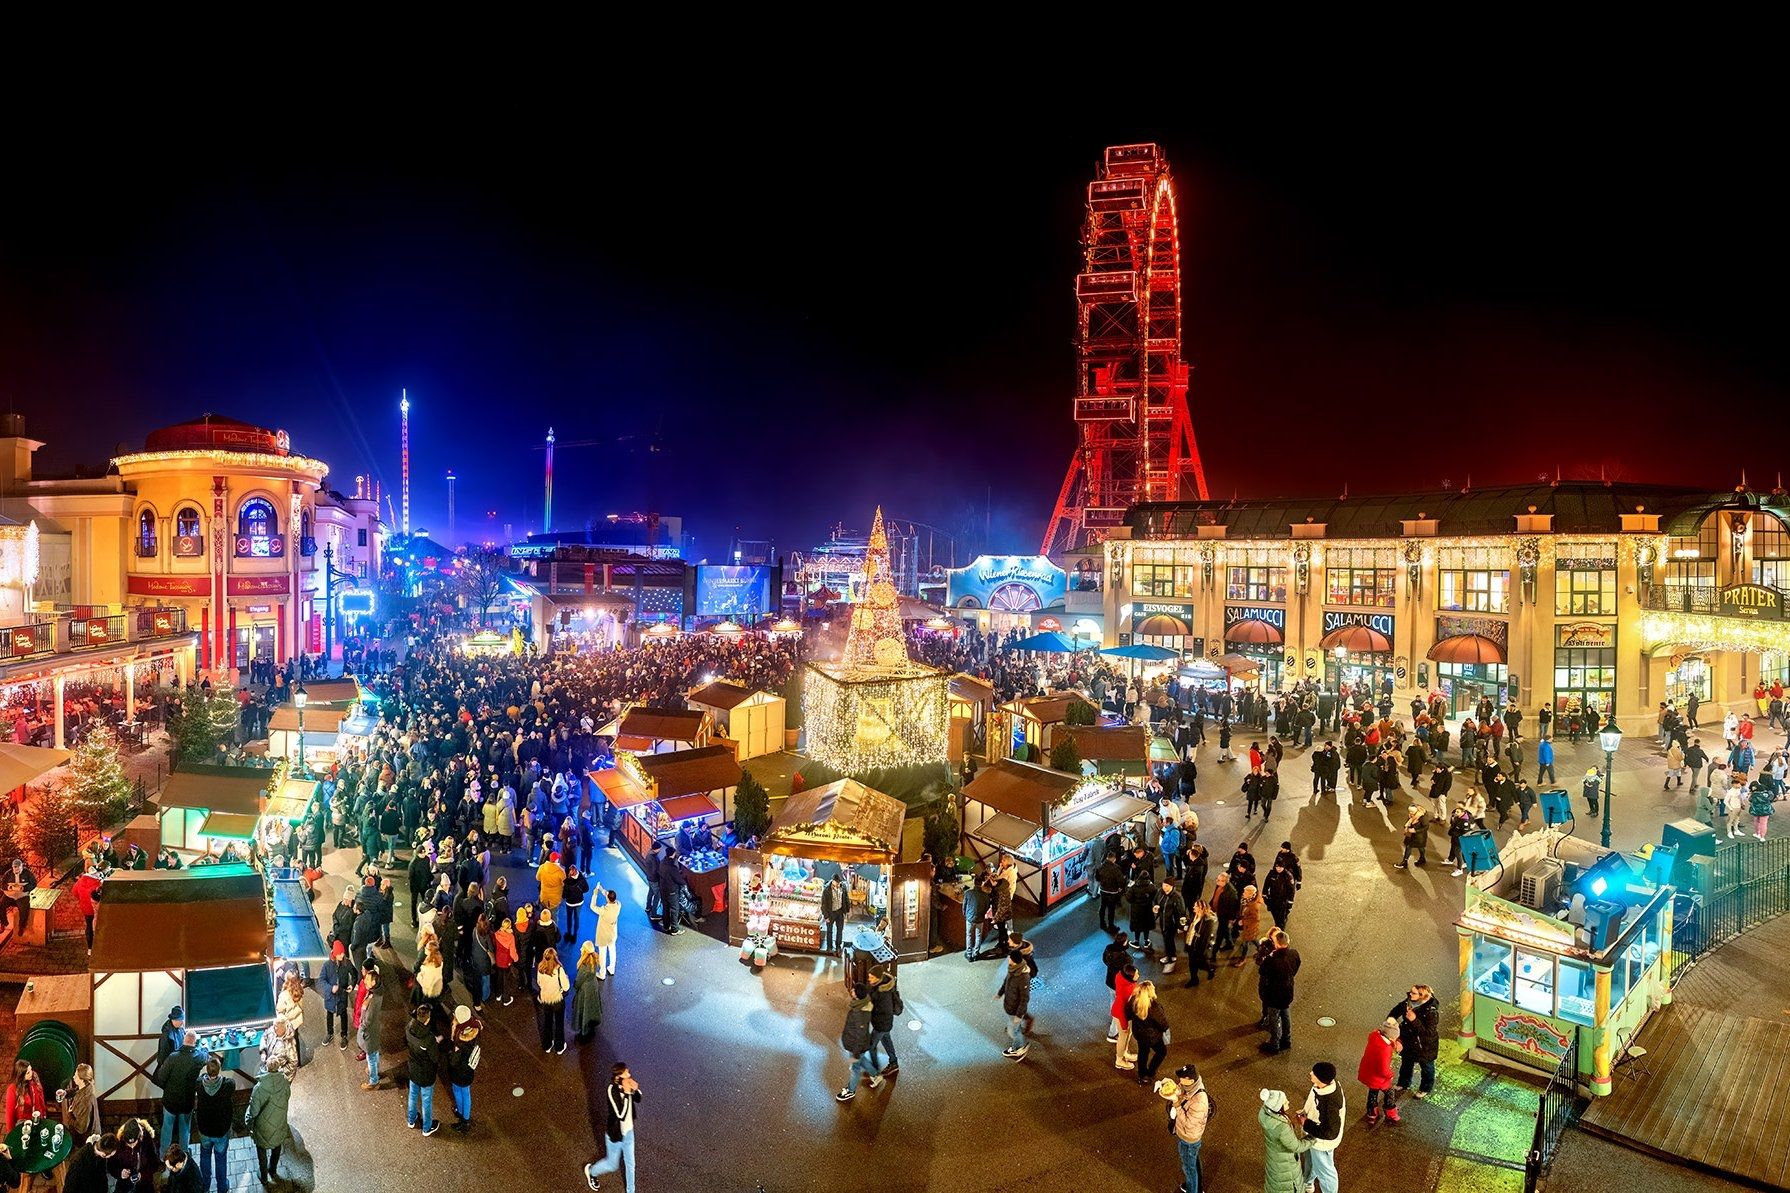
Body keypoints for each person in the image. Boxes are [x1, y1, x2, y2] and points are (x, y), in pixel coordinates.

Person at [582, 1063, 643, 1192]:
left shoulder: (627, 1084)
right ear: (618, 1076)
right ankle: (591, 1171)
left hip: (629, 1132)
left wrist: (636, 1090)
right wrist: (626, 1094)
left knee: (631, 1165)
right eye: (626, 1073)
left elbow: (638, 1099)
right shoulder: (612, 1090)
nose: (629, 1075)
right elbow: (620, 1114)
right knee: (612, 1164)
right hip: (615, 1135)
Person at [244, 1057, 293, 1183]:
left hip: (263, 1126)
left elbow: (254, 1111)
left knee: (261, 1149)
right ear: (278, 1067)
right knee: (277, 1146)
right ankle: (273, 1170)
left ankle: (264, 1176)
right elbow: (287, 1096)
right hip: (279, 1121)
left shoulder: (259, 1088)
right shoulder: (285, 1082)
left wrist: (248, 1120)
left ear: (266, 1067)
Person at [1164, 1062, 1210, 1192]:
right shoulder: (1192, 1086)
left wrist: (1176, 1104)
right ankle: (1198, 1187)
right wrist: (1170, 1084)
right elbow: (1179, 1089)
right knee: (1193, 1162)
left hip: (1188, 1139)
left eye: (1182, 1079)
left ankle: (1192, 1190)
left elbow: (1188, 1123)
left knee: (1189, 1169)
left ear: (1190, 1080)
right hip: (1190, 1138)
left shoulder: (1200, 1101)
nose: (1180, 1081)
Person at [1302, 1060, 1346, 1192]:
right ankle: (1308, 1182)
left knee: (1326, 1172)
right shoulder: (1324, 1084)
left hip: (1321, 1142)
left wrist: (1306, 1123)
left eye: (1314, 1073)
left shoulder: (1330, 1104)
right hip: (1314, 1136)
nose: (1310, 1073)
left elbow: (1330, 1132)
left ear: (1321, 1079)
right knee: (1311, 1161)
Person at [1391, 984, 1441, 1100]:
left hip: (1424, 1046)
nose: (1409, 994)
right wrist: (1391, 1020)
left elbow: (1428, 1032)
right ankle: (1403, 1083)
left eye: (1413, 993)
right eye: (1410, 992)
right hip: (1409, 1040)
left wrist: (1414, 1020)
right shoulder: (1409, 1002)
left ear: (1422, 996)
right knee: (1406, 1063)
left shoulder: (1431, 1012)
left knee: (1427, 1068)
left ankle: (1425, 1088)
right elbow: (1397, 1010)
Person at [1258, 1088, 1312, 1192]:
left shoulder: (1265, 1112)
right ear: (1279, 1108)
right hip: (1286, 1164)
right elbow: (1297, 1146)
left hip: (1275, 1158)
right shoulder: (1282, 1128)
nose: (1288, 1102)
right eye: (1285, 1101)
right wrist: (1312, 1137)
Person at [193, 1056, 234, 1193]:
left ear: (206, 1070)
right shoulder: (228, 1085)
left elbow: (201, 1078)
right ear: (219, 1070)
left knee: (204, 1156)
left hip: (204, 1129)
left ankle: (205, 1185)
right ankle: (221, 1187)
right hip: (221, 1129)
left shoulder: (199, 1083)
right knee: (220, 1158)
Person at [1258, 928, 1301, 1054]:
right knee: (1285, 1013)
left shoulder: (1272, 959)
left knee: (1274, 1018)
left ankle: (1274, 1044)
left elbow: (1262, 972)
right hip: (1288, 990)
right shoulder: (1294, 953)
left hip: (1274, 993)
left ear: (1276, 943)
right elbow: (1297, 965)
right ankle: (1286, 1040)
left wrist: (1268, 958)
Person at [836, 984, 882, 1100]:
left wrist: (855, 1053)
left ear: (857, 994)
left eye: (854, 990)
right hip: (856, 1045)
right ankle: (875, 1075)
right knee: (861, 1060)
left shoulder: (859, 1013)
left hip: (855, 1047)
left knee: (855, 1068)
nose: (851, 991)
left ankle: (850, 1090)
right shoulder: (862, 1006)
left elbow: (860, 1036)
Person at [158, 1030, 202, 1150]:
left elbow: (161, 1077)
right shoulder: (198, 1057)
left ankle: (164, 1155)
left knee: (167, 1128)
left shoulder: (173, 1057)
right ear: (195, 1042)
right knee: (185, 1129)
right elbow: (206, 1056)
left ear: (183, 1040)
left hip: (170, 1100)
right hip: (187, 1101)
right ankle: (184, 1154)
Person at [404, 1003, 442, 1135]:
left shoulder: (409, 1028)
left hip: (413, 1069)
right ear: (427, 1019)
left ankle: (411, 1119)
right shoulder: (428, 1039)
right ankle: (427, 1127)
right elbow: (435, 1058)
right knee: (426, 1101)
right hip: (426, 1074)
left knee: (413, 1095)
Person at [446, 1005, 482, 1132]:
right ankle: (464, 1116)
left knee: (458, 1091)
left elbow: (453, 1062)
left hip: (459, 1072)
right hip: (469, 1070)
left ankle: (463, 1118)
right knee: (466, 1093)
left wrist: (453, 1052)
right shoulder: (476, 1028)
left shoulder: (459, 1041)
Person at [1128, 979, 1171, 1083]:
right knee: (1161, 1052)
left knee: (1143, 1052)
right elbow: (1163, 1024)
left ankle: (1142, 1074)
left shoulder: (1133, 1001)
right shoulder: (1154, 1007)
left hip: (1139, 1034)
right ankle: (1150, 1072)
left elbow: (1128, 1015)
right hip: (1153, 1037)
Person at [1359, 1016, 1400, 1124]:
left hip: (1368, 1073)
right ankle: (1391, 1113)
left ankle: (1372, 1114)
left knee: (1373, 1093)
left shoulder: (1374, 1037)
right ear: (1391, 1037)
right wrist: (1391, 1074)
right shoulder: (1385, 1049)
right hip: (1379, 1078)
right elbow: (1383, 1070)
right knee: (1390, 1093)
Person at [868, 968, 905, 1075]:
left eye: (871, 977)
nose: (869, 979)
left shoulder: (883, 993)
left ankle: (874, 1069)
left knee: (871, 1046)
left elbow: (884, 1010)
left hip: (881, 1025)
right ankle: (893, 1063)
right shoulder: (879, 987)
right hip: (884, 1024)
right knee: (887, 1041)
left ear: (878, 978)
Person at [996, 950, 1032, 1061]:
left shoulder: (1023, 977)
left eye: (1009, 957)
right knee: (1014, 1029)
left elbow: (1024, 999)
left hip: (1015, 1010)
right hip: (1010, 1005)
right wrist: (1000, 993)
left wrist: (1019, 1015)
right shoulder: (1012, 969)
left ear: (1013, 960)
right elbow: (1006, 982)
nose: (1007, 959)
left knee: (1013, 1032)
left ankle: (1018, 1048)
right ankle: (1019, 1039)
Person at [354, 959, 384, 1089]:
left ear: (373, 982)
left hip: (369, 1033)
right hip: (374, 1030)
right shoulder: (376, 992)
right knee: (374, 1052)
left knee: (371, 1056)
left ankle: (374, 1081)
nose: (364, 981)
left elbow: (368, 1020)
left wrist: (362, 1028)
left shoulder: (373, 1000)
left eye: (367, 980)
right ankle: (375, 1071)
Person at [537, 945, 571, 1054]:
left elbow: (539, 983)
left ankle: (547, 1045)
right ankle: (559, 1046)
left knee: (547, 1023)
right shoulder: (559, 969)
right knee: (559, 1024)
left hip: (546, 1000)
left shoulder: (540, 968)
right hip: (557, 1000)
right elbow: (566, 987)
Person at [319, 940, 353, 1048]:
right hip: (330, 997)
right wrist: (330, 988)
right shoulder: (327, 965)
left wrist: (352, 984)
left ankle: (344, 1035)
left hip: (342, 996)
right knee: (329, 1014)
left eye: (343, 953)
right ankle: (330, 1033)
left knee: (343, 1014)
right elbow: (321, 980)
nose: (342, 955)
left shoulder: (347, 963)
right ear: (335, 954)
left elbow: (355, 974)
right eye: (340, 953)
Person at [573, 941, 605, 1042]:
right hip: (593, 987)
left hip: (585, 991)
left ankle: (584, 1030)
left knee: (584, 1010)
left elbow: (578, 981)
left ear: (585, 951)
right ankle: (592, 1025)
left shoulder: (584, 965)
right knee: (592, 1008)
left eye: (582, 948)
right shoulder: (594, 960)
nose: (580, 949)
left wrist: (575, 986)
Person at [60, 1062, 100, 1140]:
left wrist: (70, 1115)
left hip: (86, 1138)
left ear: (82, 1080)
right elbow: (77, 1091)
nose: (74, 1077)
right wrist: (66, 1093)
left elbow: (81, 1128)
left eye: (76, 1076)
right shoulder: (86, 1087)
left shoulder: (86, 1101)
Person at [4, 1059, 45, 1131]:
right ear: (21, 1075)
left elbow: (40, 1096)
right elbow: (9, 1116)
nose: (31, 1073)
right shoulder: (12, 1090)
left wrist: (43, 1113)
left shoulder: (34, 1077)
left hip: (37, 1117)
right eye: (28, 1072)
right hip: (24, 1124)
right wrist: (11, 1133)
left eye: (31, 1069)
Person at [593, 888, 621, 977]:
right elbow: (611, 897)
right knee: (612, 951)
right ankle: (612, 969)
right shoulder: (618, 905)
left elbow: (592, 906)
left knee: (602, 954)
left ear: (608, 898)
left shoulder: (603, 910)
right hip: (612, 934)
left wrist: (595, 894)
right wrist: (603, 890)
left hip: (603, 935)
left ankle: (602, 973)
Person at [820, 871, 849, 954]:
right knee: (829, 931)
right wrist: (826, 916)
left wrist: (846, 910)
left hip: (840, 912)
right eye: (837, 882)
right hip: (830, 913)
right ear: (832, 881)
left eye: (839, 882)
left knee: (840, 930)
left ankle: (838, 947)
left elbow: (846, 898)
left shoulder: (843, 887)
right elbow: (823, 904)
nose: (838, 883)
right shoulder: (826, 890)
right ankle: (829, 947)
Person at [562, 863, 590, 942]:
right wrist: (580, 892)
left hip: (570, 903)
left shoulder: (567, 882)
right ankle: (575, 935)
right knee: (576, 918)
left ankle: (569, 933)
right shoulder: (581, 878)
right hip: (579, 902)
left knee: (569, 918)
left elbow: (564, 895)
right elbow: (586, 889)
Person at [1395, 805, 1428, 870]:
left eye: (1412, 811)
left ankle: (1406, 862)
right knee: (1412, 847)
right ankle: (1420, 859)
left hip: (1419, 836)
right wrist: (1407, 827)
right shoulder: (1413, 815)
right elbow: (1409, 821)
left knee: (1417, 847)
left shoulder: (1422, 817)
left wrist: (1415, 830)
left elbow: (1426, 827)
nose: (1410, 813)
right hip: (1411, 835)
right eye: (1409, 811)